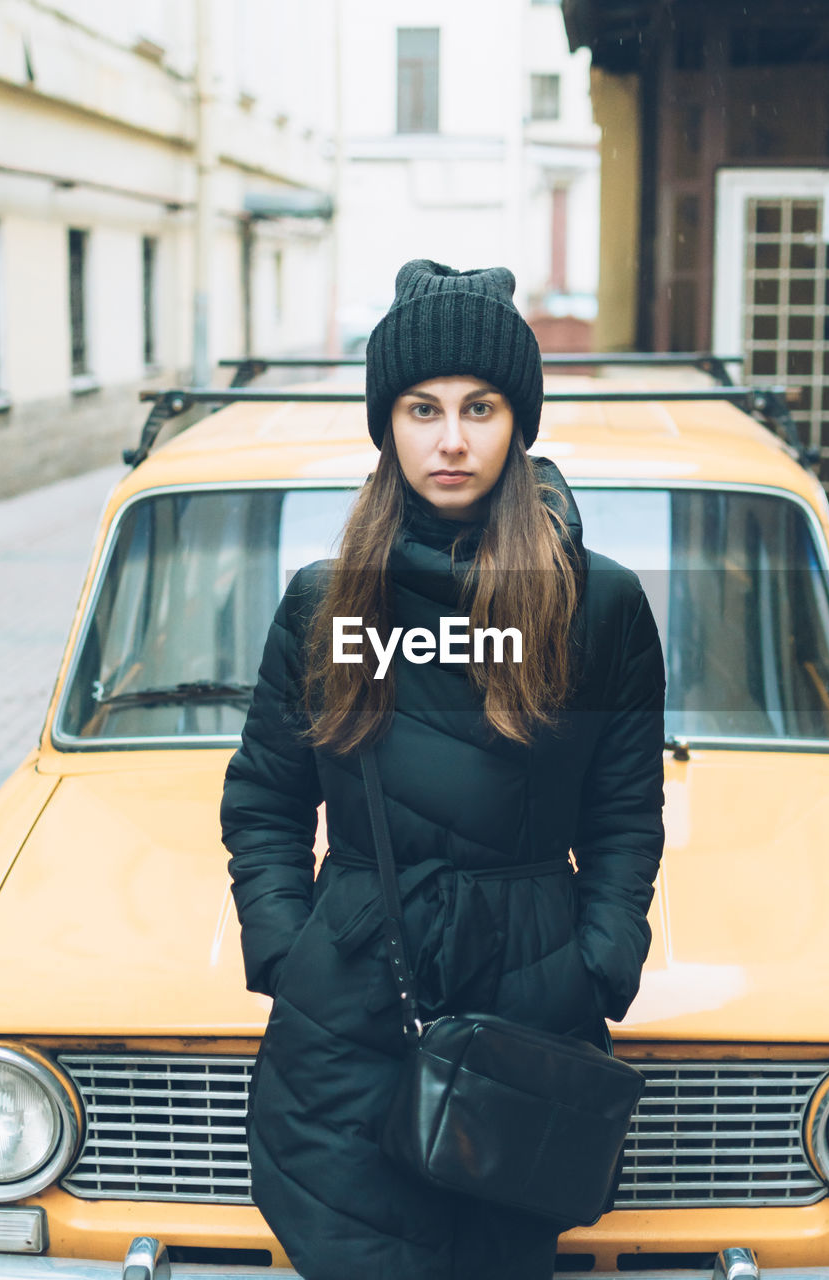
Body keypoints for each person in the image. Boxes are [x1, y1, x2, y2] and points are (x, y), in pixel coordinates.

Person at [220, 259, 666, 1280]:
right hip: (349, 991)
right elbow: (267, 798)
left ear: (519, 421)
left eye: (481, 406)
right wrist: (290, 948)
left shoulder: (597, 605)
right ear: (387, 422)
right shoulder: (324, 600)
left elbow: (623, 812)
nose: (451, 439)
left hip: (529, 987)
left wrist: (596, 957)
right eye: (422, 408)